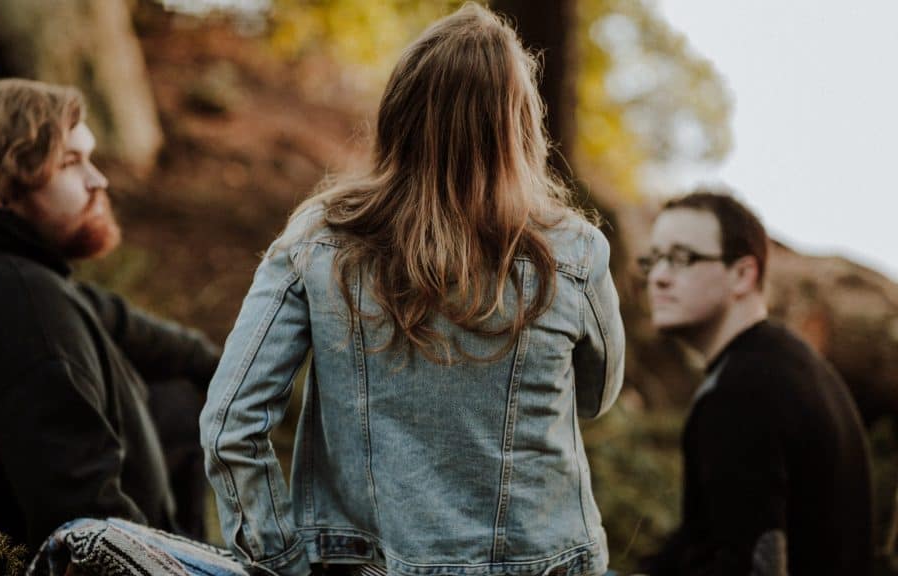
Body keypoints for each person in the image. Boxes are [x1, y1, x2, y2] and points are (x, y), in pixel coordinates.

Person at [200, 5, 625, 576]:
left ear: (398, 111)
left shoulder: (320, 238)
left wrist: (281, 561)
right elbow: (596, 398)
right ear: (522, 126)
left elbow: (230, 424)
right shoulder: (573, 252)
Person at [0, 79, 218, 574]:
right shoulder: (22, 310)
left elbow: (108, 315)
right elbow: (94, 533)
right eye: (71, 163)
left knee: (179, 397)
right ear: (1, 186)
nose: (98, 180)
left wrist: (225, 368)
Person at [638, 190, 872, 575]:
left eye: (681, 258)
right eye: (654, 260)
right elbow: (712, 536)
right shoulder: (786, 363)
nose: (658, 277)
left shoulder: (743, 392)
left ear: (742, 274)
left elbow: (747, 566)